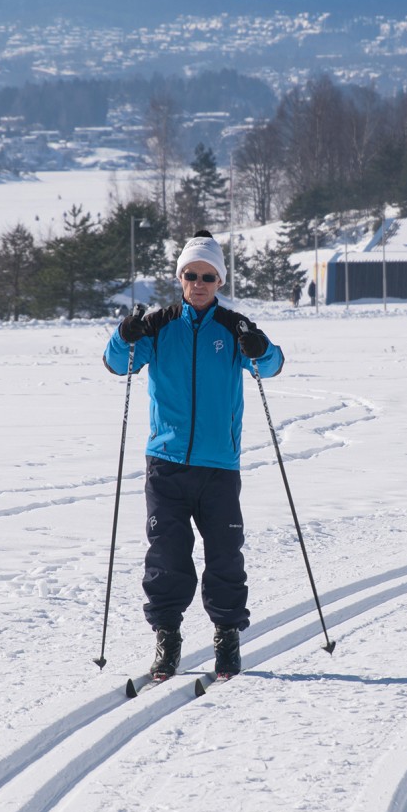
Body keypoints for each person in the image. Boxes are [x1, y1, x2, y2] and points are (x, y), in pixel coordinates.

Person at [103, 231, 284, 682]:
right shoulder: (160, 325)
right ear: (180, 278)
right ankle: (167, 638)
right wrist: (123, 335)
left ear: (219, 280)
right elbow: (117, 362)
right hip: (165, 464)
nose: (198, 283)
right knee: (167, 555)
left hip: (219, 466)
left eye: (207, 276)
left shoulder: (233, 326)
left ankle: (227, 640)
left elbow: (272, 365)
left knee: (225, 556)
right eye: (190, 275)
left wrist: (261, 347)